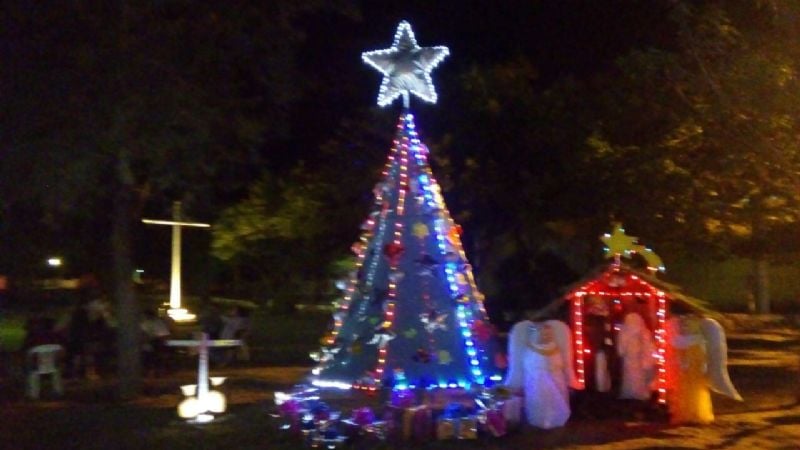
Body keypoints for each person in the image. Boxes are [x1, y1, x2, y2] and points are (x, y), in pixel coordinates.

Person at [665, 313, 742, 424]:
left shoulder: (698, 341)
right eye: (683, 321)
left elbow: (703, 356)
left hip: (695, 373)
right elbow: (677, 355)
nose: (685, 324)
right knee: (682, 393)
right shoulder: (679, 341)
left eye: (689, 322)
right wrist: (679, 363)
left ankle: (696, 414)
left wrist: (704, 366)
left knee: (697, 393)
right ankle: (683, 414)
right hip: (684, 374)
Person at [505, 319, 580, 429]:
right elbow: (528, 364)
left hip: (556, 379)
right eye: (542, 333)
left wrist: (553, 368)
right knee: (538, 403)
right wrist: (539, 370)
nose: (545, 335)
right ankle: (538, 421)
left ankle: (556, 421)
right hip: (536, 382)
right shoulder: (530, 349)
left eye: (548, 333)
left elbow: (561, 363)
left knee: (556, 402)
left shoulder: (555, 348)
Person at [617, 312, 656, 401]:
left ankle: (635, 392)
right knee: (635, 376)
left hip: (635, 358)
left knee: (635, 376)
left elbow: (621, 348)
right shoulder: (630, 331)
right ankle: (636, 392)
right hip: (633, 358)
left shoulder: (626, 331)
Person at [141, 309, 171, 377]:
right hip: (147, 345)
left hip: (155, 345)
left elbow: (164, 336)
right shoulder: (144, 323)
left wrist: (152, 339)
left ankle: (153, 371)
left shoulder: (157, 323)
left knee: (153, 356)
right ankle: (151, 371)